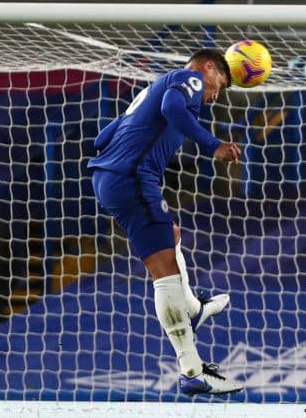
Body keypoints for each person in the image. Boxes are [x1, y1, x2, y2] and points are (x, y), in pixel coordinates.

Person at [88, 49, 243, 396]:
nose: (215, 95)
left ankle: (194, 308)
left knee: (169, 238)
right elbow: (171, 109)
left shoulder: (153, 89)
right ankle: (191, 369)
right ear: (207, 67)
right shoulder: (188, 78)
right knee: (165, 272)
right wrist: (212, 144)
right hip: (130, 177)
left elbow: (101, 139)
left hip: (111, 179)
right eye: (219, 84)